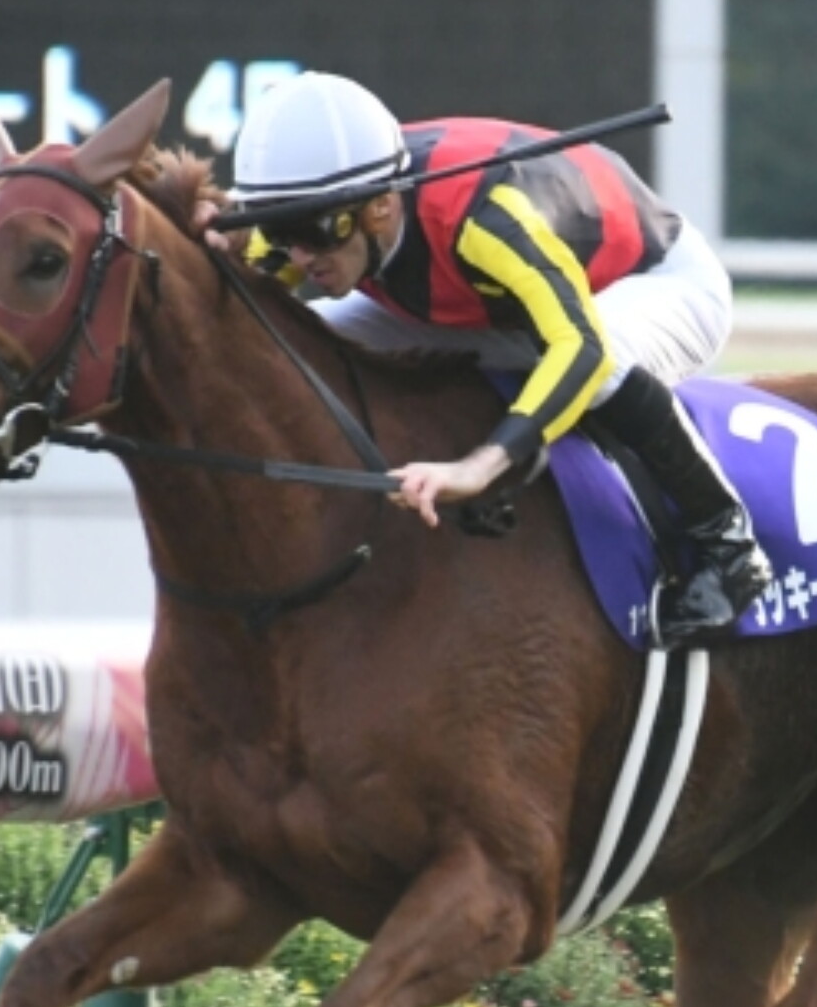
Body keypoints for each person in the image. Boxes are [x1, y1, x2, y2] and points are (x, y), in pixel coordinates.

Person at [204, 72, 773, 648]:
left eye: (314, 233)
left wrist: (477, 467)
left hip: (649, 283)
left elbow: (581, 348)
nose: (299, 256)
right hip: (494, 304)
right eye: (278, 230)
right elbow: (255, 280)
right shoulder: (336, 208)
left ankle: (728, 543)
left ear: (380, 209)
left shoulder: (484, 218)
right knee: (311, 341)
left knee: (603, 366)